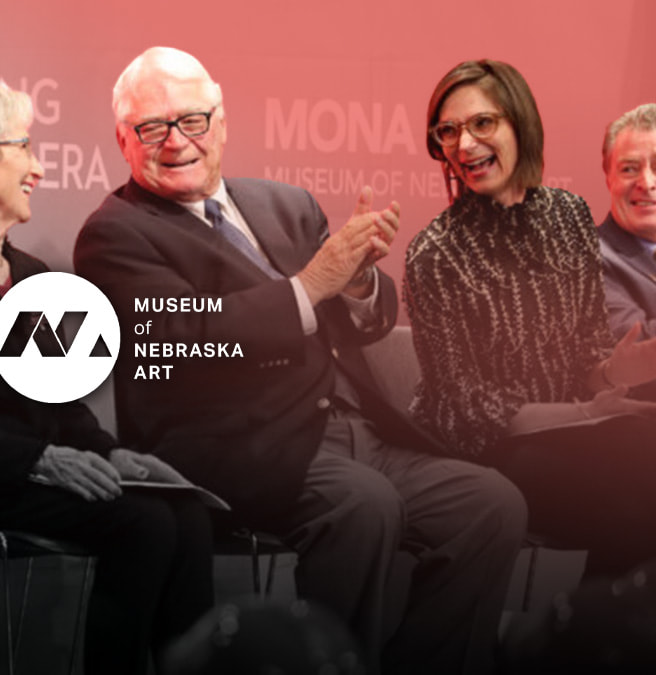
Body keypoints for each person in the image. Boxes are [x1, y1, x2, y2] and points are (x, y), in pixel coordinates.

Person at [73, 46, 526, 675]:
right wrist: (312, 283)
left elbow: (364, 318)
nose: (177, 142)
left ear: (222, 122)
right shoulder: (114, 232)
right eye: (153, 127)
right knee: (363, 506)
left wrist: (359, 282)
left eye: (193, 121)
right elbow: (181, 341)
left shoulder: (284, 203)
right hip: (235, 445)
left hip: (353, 430)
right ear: (124, 139)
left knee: (490, 504)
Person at [0, 73, 214, 675]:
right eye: (23, 146)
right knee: (145, 524)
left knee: (182, 512)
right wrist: (39, 459)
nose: (38, 167)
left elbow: (61, 403)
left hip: (37, 472)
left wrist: (114, 455)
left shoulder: (28, 274)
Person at [405, 61, 656, 580]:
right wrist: (584, 415)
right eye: (448, 132)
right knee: (636, 505)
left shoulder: (568, 215)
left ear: (520, 124)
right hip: (489, 452)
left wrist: (615, 372)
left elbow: (586, 356)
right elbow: (467, 412)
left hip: (574, 430)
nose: (465, 146)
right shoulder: (434, 254)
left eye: (482, 124)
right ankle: (590, 640)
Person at [598, 103, 656, 400]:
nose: (647, 183)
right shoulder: (590, 259)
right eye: (629, 169)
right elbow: (640, 350)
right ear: (609, 177)